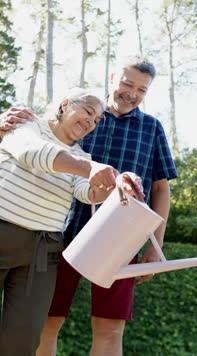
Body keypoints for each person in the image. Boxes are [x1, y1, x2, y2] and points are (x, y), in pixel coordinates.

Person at [1, 56, 178, 356]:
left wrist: (155, 243)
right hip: (65, 233)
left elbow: (159, 188)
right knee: (46, 322)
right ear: (112, 79)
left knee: (109, 328)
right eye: (127, 83)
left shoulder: (151, 128)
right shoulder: (74, 120)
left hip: (121, 238)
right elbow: (40, 148)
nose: (133, 93)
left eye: (142, 90)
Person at [0, 89, 121, 356]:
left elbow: (87, 192)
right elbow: (32, 152)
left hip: (42, 252)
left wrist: (113, 186)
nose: (91, 122)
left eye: (97, 120)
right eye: (88, 112)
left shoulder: (83, 158)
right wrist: (89, 169)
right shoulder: (26, 123)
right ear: (65, 105)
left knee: (23, 340)